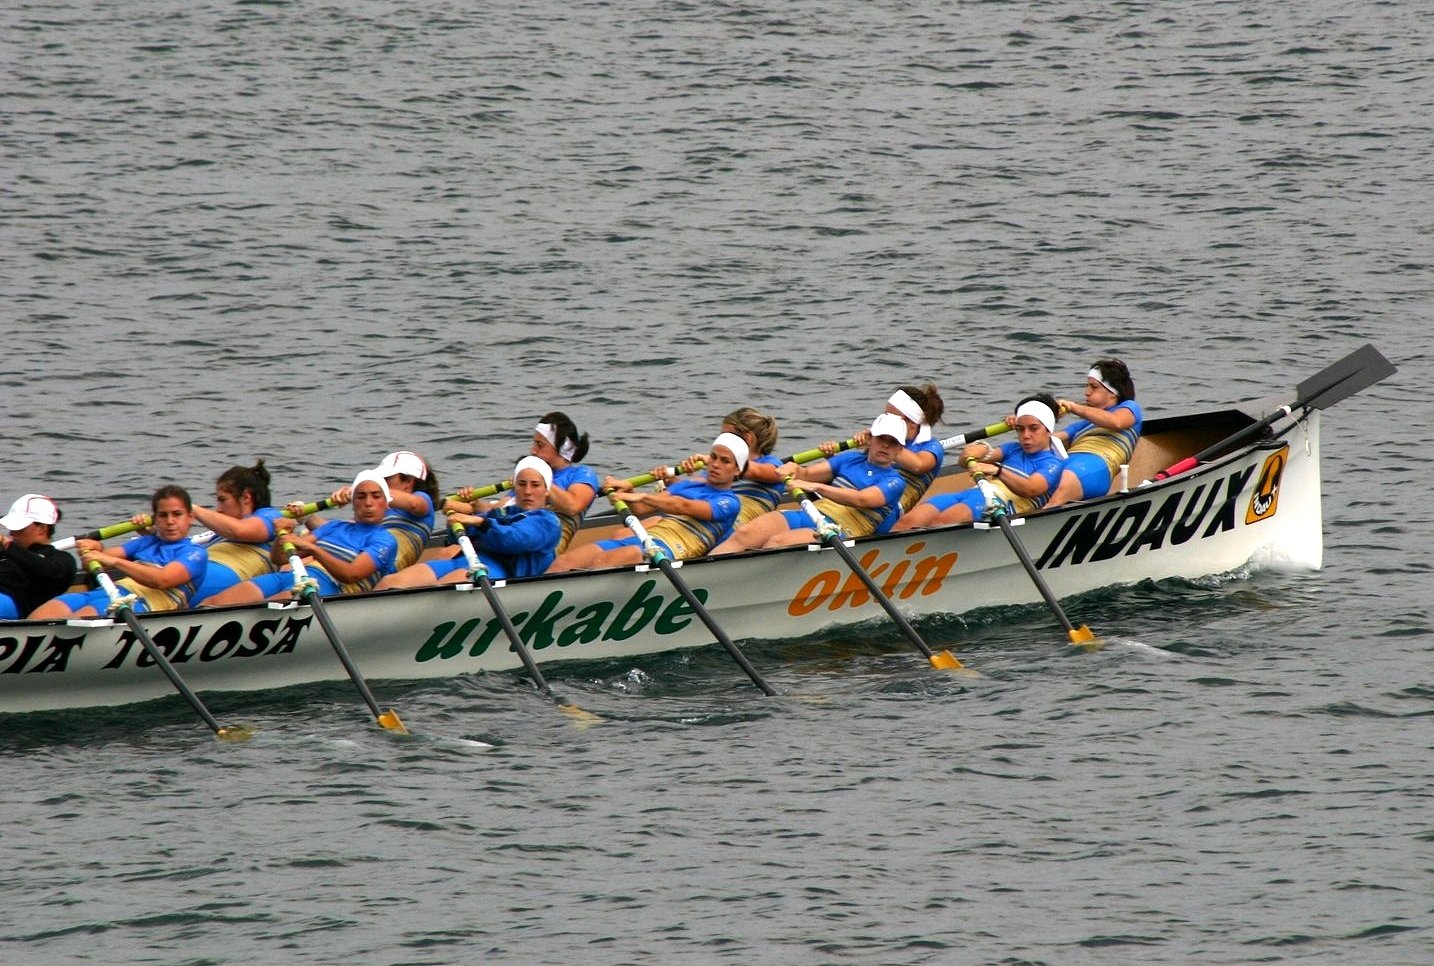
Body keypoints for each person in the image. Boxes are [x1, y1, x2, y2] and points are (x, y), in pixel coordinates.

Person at [710, 413, 909, 554]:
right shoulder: (849, 458)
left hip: (838, 529)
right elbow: (806, 473)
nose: (885, 445)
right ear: (870, 439)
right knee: (745, 534)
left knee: (776, 543)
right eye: (881, 438)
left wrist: (817, 487)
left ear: (900, 450)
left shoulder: (894, 481)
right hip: (810, 514)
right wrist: (791, 469)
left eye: (893, 442)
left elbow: (862, 499)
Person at [547, 433, 746, 572]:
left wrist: (640, 495)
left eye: (725, 461)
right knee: (565, 562)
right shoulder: (688, 487)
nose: (716, 464)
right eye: (713, 457)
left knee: (603, 561)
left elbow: (682, 506)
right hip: (645, 539)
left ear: (737, 471)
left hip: (667, 550)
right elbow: (642, 508)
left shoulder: (730, 502)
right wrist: (628, 491)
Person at [204, 471, 398, 604]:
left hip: (326, 588)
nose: (369, 503)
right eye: (361, 497)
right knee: (214, 603)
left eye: (376, 496)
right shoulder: (334, 527)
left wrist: (314, 549)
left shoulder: (385, 541)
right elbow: (279, 558)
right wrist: (284, 534)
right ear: (353, 502)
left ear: (386, 504)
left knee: (264, 608)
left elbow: (351, 574)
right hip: (292, 576)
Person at [378, 456, 562, 587]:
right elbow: (457, 535)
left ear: (546, 490)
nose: (528, 491)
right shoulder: (503, 513)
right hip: (468, 560)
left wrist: (478, 524)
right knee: (392, 582)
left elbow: (515, 539)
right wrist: (458, 524)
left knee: (449, 582)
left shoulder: (548, 522)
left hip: (501, 573)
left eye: (535, 485)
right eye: (522, 484)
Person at [893, 393, 1065, 531]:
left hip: (999, 505)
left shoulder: (1053, 463)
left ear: (1048, 430)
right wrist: (981, 448)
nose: (1026, 435)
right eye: (1020, 429)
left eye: (1033, 429)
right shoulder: (1013, 448)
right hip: (975, 493)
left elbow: (1032, 488)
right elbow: (964, 461)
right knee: (907, 522)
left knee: (941, 522)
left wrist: (997, 470)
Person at [31, 485, 207, 618]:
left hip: (143, 605)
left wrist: (114, 562)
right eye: (163, 515)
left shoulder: (195, 553)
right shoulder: (145, 542)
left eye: (177, 514)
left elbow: (162, 579)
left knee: (82, 615)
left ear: (190, 517)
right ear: (155, 519)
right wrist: (95, 549)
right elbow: (95, 560)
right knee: (43, 614)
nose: (170, 521)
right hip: (110, 593)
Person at [191, 461, 290, 605]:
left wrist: (191, 508)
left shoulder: (271, 516)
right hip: (193, 572)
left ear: (246, 498)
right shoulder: (222, 531)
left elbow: (240, 530)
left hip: (217, 581)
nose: (218, 509)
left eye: (223, 500)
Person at [1045, 359, 1142, 507]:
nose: (1087, 392)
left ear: (1112, 392)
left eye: (1094, 387)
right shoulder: (1083, 425)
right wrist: (1024, 422)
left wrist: (1073, 407)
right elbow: (1049, 439)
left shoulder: (1130, 408)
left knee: (1067, 478)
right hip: (1067, 464)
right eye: (1087, 386)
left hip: (1095, 467)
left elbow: (1117, 422)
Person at [673, 407, 785, 525]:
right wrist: (670, 479)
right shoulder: (717, 468)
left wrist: (711, 461)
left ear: (748, 439)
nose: (721, 440)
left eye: (726, 436)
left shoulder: (772, 464)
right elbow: (692, 492)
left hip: (737, 522)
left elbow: (758, 472)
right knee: (657, 518)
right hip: (709, 511)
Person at [0, 494, 77, 620]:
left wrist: (7, 545)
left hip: (14, 603)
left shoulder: (62, 559)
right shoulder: (6, 553)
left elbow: (48, 571)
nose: (12, 533)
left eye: (19, 528)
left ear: (42, 529)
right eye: (11, 528)